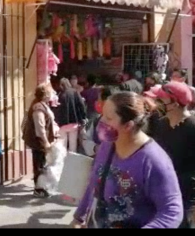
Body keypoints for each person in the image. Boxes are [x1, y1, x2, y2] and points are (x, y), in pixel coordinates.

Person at [72, 91, 183, 228]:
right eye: (102, 115)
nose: (101, 121)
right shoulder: (106, 147)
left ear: (128, 126)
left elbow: (172, 211)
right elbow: (94, 184)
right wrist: (79, 217)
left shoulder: (153, 161)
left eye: (108, 118)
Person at [144, 81, 195, 228]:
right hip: (162, 192)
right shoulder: (160, 124)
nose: (157, 103)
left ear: (176, 103)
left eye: (161, 100)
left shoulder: (192, 127)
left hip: (186, 196)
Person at [22, 83, 59, 198]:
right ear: (46, 95)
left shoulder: (42, 105)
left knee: (42, 163)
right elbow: (40, 127)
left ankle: (42, 186)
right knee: (40, 164)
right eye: (51, 92)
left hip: (42, 140)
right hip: (39, 141)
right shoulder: (38, 108)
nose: (53, 94)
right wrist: (46, 142)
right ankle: (39, 188)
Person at [56, 78, 87, 152]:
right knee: (73, 145)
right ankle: (72, 160)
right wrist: (83, 116)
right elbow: (81, 104)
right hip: (74, 122)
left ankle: (63, 161)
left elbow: (56, 109)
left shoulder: (60, 94)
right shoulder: (75, 92)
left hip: (62, 123)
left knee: (62, 144)